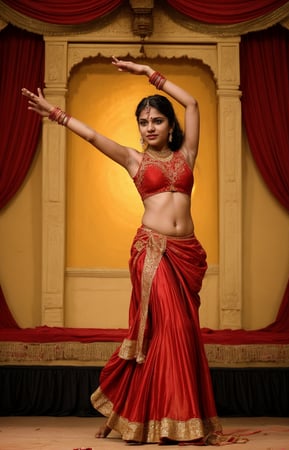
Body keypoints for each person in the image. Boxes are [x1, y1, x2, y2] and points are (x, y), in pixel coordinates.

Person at [22, 57, 246, 446]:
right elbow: (93, 136)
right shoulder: (134, 160)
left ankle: (154, 417)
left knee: (180, 334)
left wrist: (150, 75)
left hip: (185, 253)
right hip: (153, 253)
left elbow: (192, 103)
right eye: (143, 122)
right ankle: (170, 419)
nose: (150, 127)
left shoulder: (186, 155)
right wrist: (55, 114)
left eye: (157, 120)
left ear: (169, 124)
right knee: (171, 329)